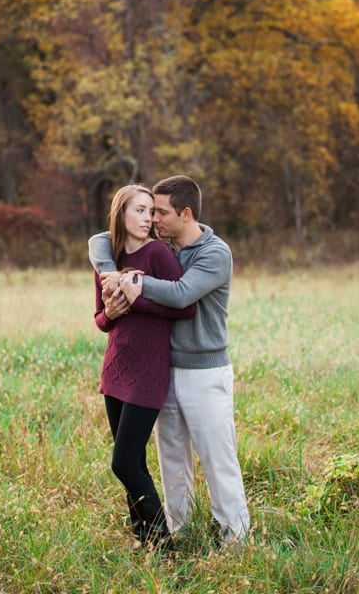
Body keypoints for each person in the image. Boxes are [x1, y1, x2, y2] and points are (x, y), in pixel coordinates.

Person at [89, 175, 250, 546]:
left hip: (205, 371)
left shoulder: (215, 253)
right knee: (172, 460)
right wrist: (111, 273)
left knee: (217, 458)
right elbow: (102, 239)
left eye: (160, 212)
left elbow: (180, 296)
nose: (153, 220)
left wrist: (132, 283)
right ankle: (179, 530)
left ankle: (236, 539)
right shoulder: (169, 246)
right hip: (166, 370)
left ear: (186, 213)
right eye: (148, 211)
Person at [93, 184, 195, 550]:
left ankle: (164, 545)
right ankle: (144, 538)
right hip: (115, 370)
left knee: (122, 463)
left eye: (151, 211)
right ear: (120, 214)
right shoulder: (110, 259)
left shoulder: (158, 254)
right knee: (135, 461)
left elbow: (185, 307)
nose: (147, 218)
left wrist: (139, 303)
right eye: (138, 210)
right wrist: (112, 313)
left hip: (147, 375)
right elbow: (101, 320)